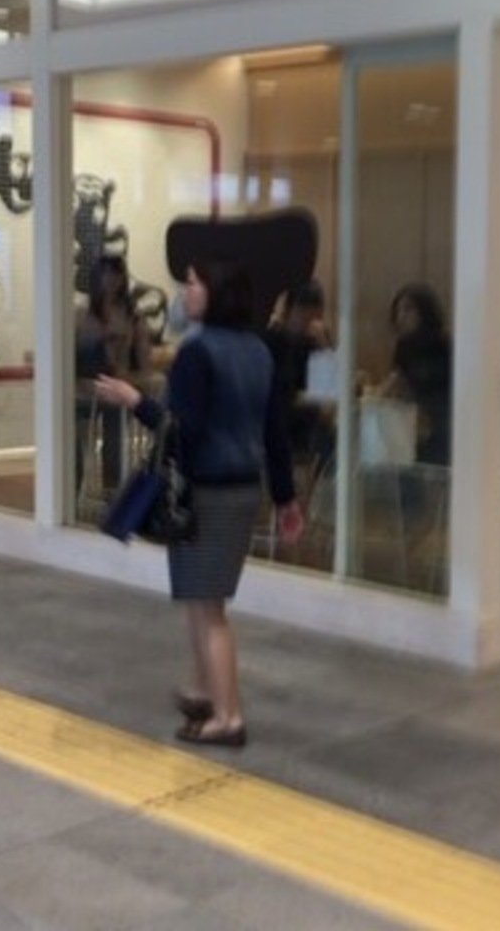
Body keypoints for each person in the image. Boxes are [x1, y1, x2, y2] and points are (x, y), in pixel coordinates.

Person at [94, 260, 302, 749]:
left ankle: (228, 718)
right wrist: (286, 496)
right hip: (243, 489)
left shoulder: (197, 352)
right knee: (202, 599)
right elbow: (274, 431)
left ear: (215, 292)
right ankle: (203, 690)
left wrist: (133, 400)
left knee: (209, 611)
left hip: (205, 491)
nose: (184, 292)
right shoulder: (258, 350)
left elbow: (179, 429)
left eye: (192, 283)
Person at [74, 255, 152, 492]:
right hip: (82, 391)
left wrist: (130, 378)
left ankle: (113, 494)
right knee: (71, 445)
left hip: (117, 389)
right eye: (106, 274)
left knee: (115, 448)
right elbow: (68, 355)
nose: (111, 280)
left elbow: (144, 361)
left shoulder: (132, 314)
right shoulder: (80, 313)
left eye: (116, 274)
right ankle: (71, 492)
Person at [263, 279, 334, 464]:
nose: (309, 323)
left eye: (315, 317)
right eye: (303, 313)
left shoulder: (314, 344)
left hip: (307, 432)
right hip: (279, 431)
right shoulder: (273, 340)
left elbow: (330, 398)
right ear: (290, 310)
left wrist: (325, 348)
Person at [382, 282, 452, 466]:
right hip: (411, 423)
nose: (401, 316)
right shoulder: (403, 346)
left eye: (408, 310)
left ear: (424, 312)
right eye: (398, 310)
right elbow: (397, 380)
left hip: (440, 423)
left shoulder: (443, 347)